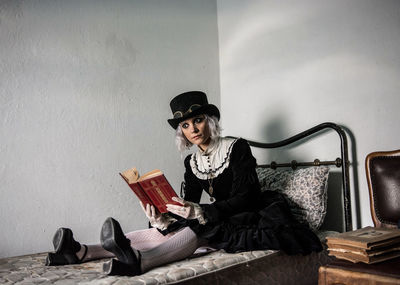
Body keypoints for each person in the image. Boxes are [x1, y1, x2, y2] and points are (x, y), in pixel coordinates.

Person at [46, 91, 322, 276]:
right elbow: (187, 202)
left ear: (209, 120)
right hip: (224, 214)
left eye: (198, 120)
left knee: (204, 227)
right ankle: (81, 251)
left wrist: (202, 212)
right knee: (173, 226)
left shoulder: (237, 148)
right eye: (186, 126)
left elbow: (248, 196)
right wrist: (163, 215)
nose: (193, 130)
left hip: (254, 214)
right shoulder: (192, 162)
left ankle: (141, 261)